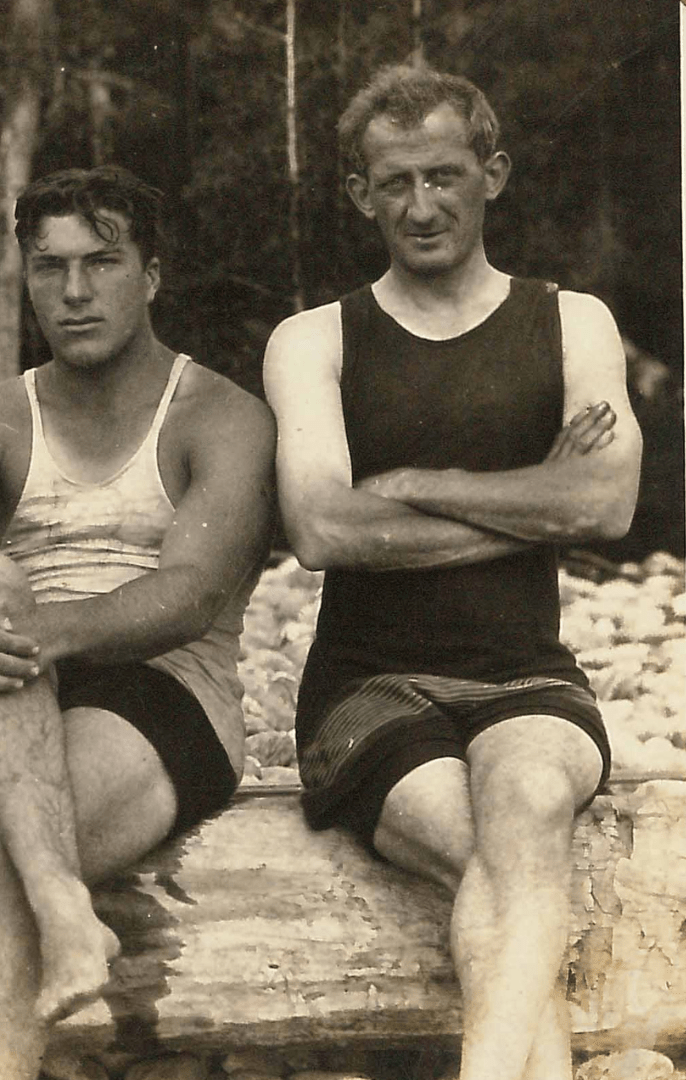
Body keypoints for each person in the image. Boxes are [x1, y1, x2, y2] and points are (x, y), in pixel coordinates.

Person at [263, 66, 640, 1080]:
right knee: (518, 868)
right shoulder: (315, 341)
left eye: (443, 175)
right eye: (394, 184)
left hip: (526, 669)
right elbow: (321, 528)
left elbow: (606, 505)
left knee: (522, 813)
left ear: (494, 174)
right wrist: (536, 501)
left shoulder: (572, 322)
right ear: (359, 193)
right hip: (366, 687)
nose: (421, 206)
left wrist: (422, 480)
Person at [0, 166, 275, 1080]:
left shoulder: (220, 415)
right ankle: (67, 911)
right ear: (25, 277)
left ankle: (50, 925)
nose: (76, 290)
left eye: (103, 261)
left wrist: (27, 631)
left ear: (153, 274)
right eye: (50, 267)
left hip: (162, 698)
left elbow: (192, 592)